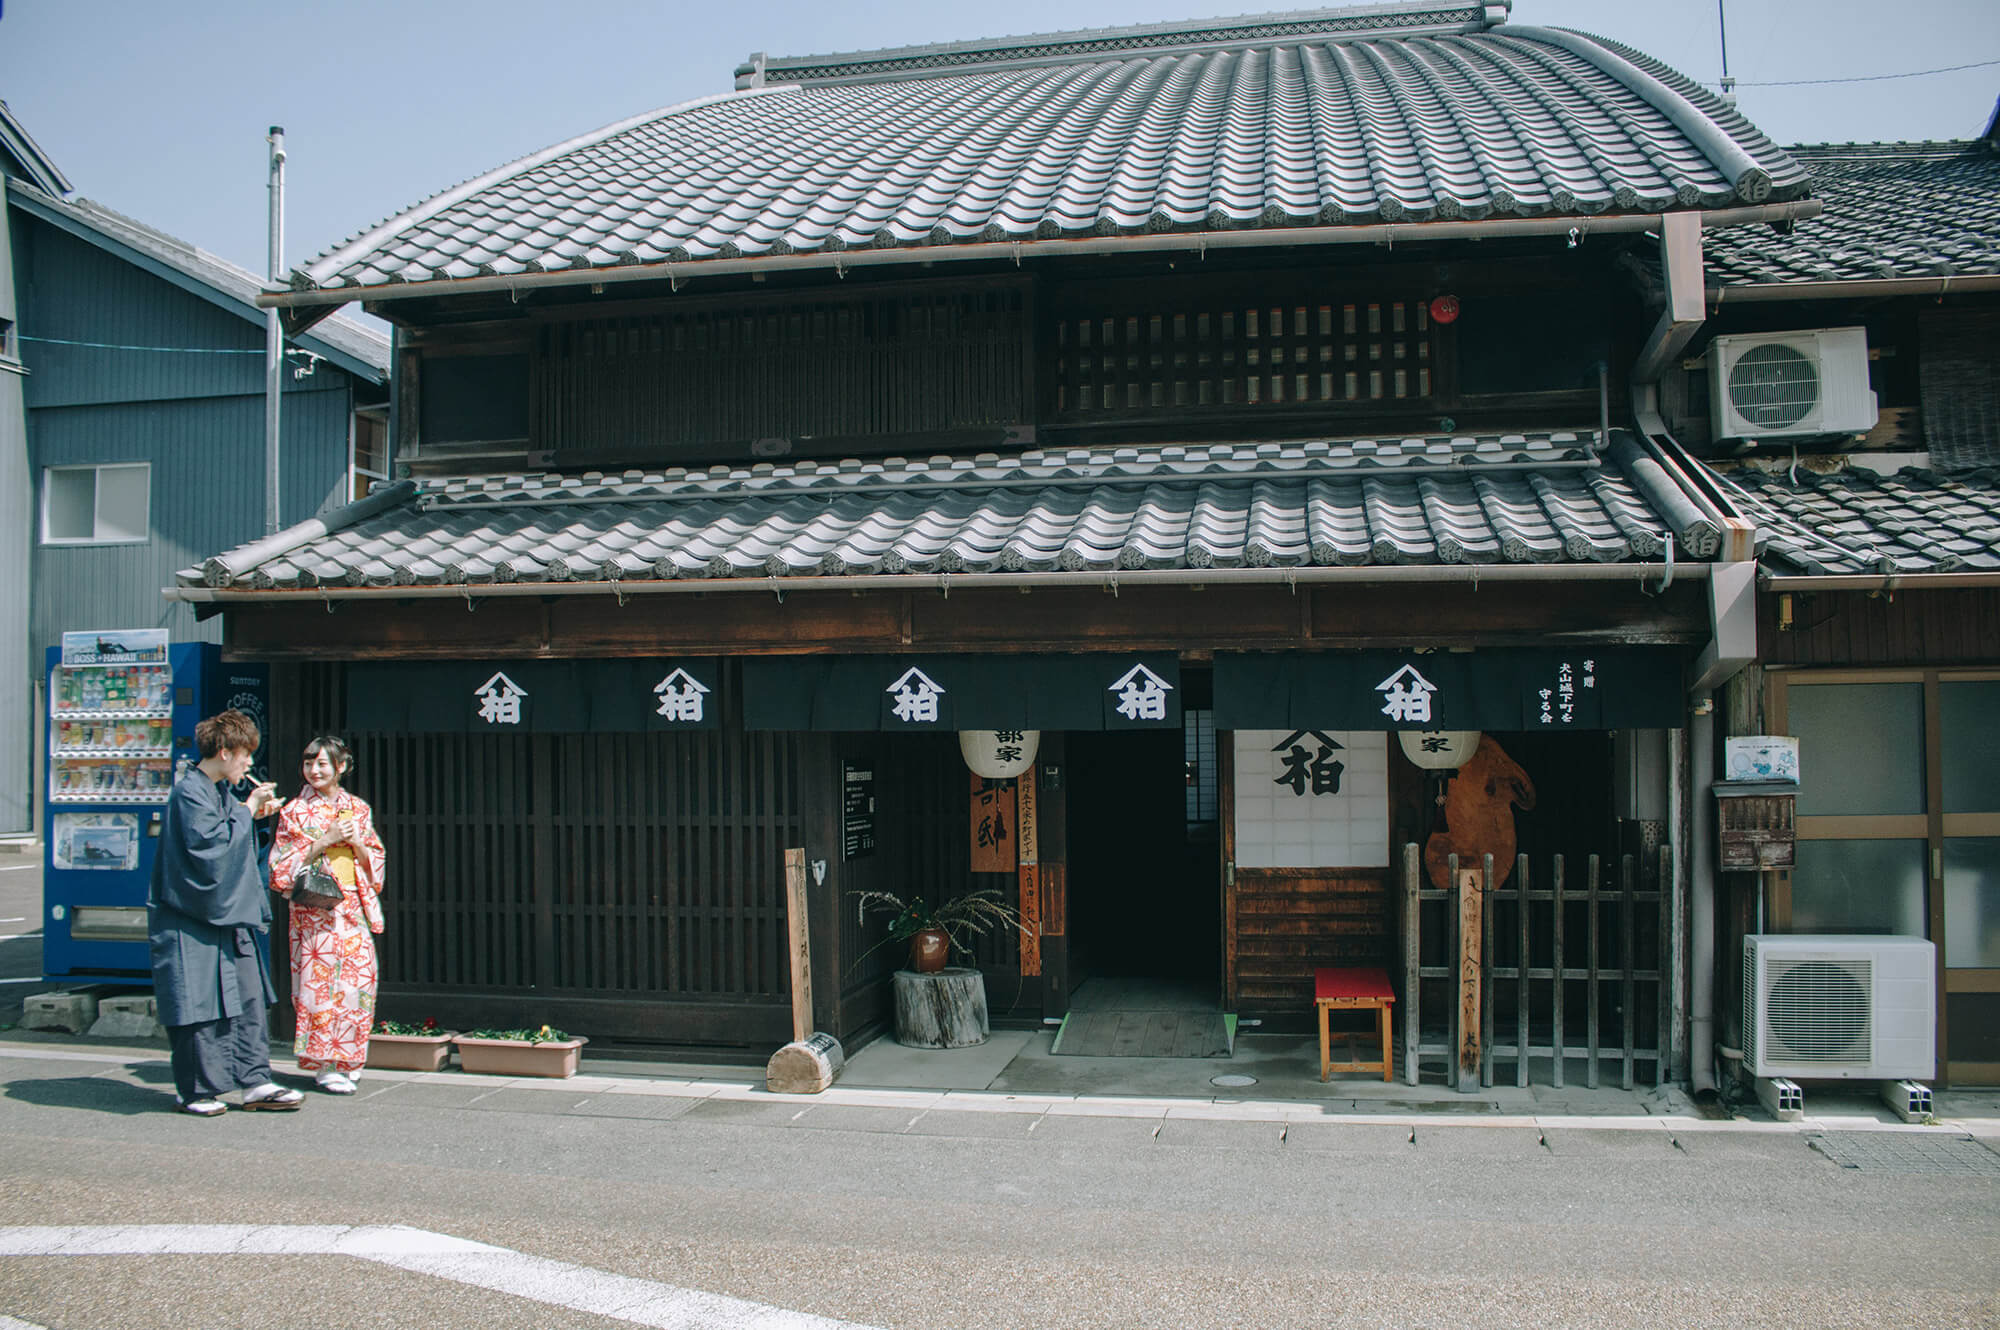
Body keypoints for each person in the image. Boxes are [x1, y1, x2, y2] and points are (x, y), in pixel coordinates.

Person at [149, 709, 305, 1116]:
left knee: (248, 998)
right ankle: (196, 1090)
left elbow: (228, 843)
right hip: (190, 919)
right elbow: (210, 851)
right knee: (198, 1005)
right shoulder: (189, 792)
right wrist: (247, 810)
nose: (249, 763)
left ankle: (254, 1079)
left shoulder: (216, 792)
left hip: (222, 918)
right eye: (244, 754)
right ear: (223, 751)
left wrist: (252, 816)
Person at [269, 734, 386, 1095]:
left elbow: (375, 860)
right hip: (316, 909)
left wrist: (353, 843)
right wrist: (324, 838)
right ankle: (323, 1064)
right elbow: (279, 867)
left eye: (322, 763)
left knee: (358, 982)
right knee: (320, 986)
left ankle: (349, 1059)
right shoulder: (294, 811)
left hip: (353, 905)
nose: (314, 770)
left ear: (342, 766)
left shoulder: (358, 808)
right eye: (308, 763)